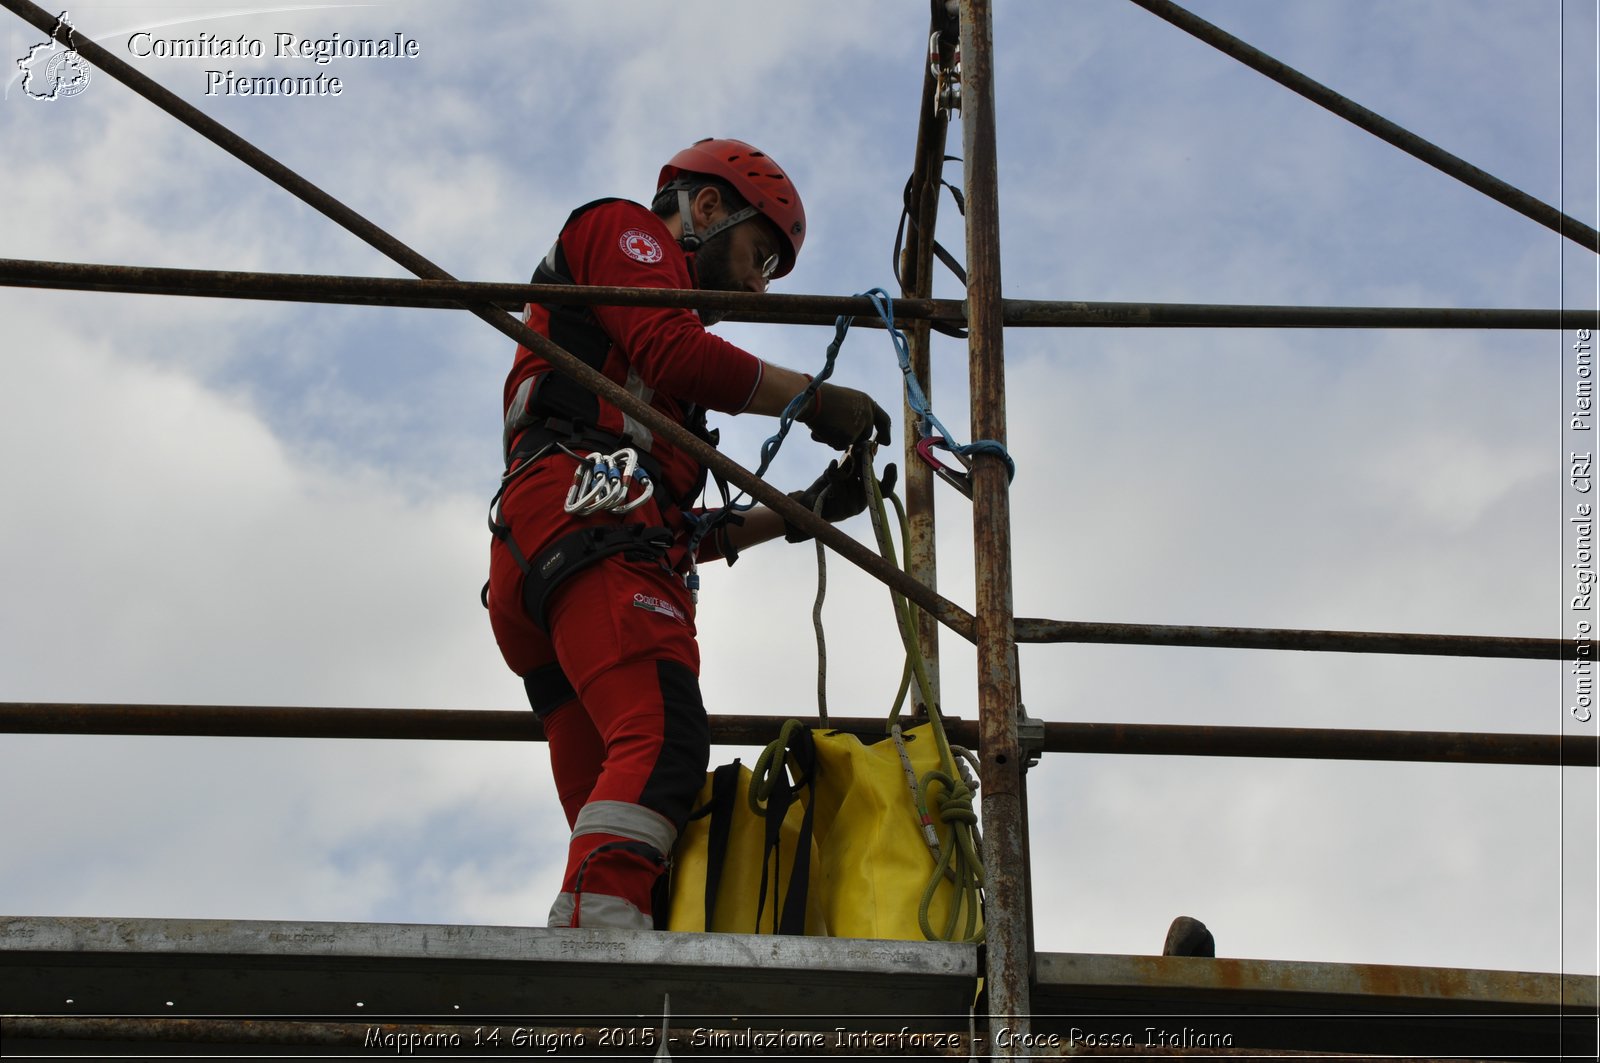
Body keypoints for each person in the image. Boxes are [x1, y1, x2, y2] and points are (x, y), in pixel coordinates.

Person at [485, 137, 892, 930]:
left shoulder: (646, 405)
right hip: (580, 530)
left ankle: (607, 957)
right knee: (666, 737)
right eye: (757, 255)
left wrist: (796, 511)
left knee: (622, 792)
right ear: (706, 208)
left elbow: (669, 529)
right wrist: (813, 400)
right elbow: (674, 352)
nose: (757, 285)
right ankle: (596, 953)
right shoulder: (621, 230)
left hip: (560, 555)